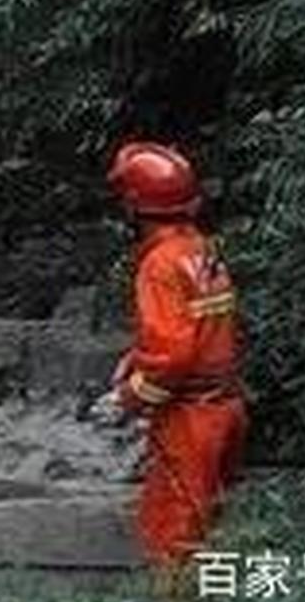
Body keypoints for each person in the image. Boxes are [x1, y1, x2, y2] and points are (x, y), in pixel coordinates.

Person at [98, 141, 247, 574]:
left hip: (191, 417)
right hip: (225, 407)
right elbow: (199, 330)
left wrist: (127, 399)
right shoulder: (201, 250)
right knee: (210, 527)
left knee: (173, 537)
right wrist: (135, 356)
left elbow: (173, 354)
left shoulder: (159, 264)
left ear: (134, 206)